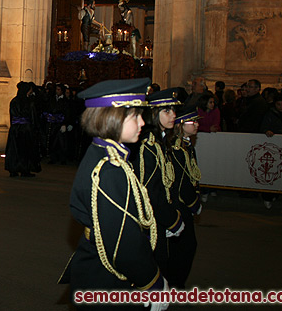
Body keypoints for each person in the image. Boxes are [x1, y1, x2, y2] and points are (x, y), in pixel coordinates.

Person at [63, 78, 169, 310]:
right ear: (113, 118)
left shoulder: (106, 154)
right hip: (106, 281)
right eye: (135, 115)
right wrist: (151, 282)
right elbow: (123, 242)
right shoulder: (109, 169)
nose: (142, 122)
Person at [131, 88, 185, 277]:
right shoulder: (149, 145)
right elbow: (150, 191)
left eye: (173, 111)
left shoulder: (160, 141)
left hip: (160, 216)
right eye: (166, 111)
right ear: (154, 113)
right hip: (152, 220)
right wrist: (171, 220)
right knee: (155, 265)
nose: (173, 116)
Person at [167, 106, 203, 289]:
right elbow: (180, 182)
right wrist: (193, 202)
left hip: (182, 205)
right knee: (184, 247)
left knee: (180, 247)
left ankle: (174, 283)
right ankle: (174, 284)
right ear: (181, 124)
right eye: (192, 121)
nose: (196, 124)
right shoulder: (178, 148)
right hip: (179, 206)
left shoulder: (186, 145)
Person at [4, 82, 41, 177]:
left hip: (15, 129)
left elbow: (11, 116)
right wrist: (35, 128)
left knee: (14, 150)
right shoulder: (29, 102)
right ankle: (25, 170)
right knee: (25, 150)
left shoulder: (14, 101)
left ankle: (13, 170)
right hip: (26, 129)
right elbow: (33, 117)